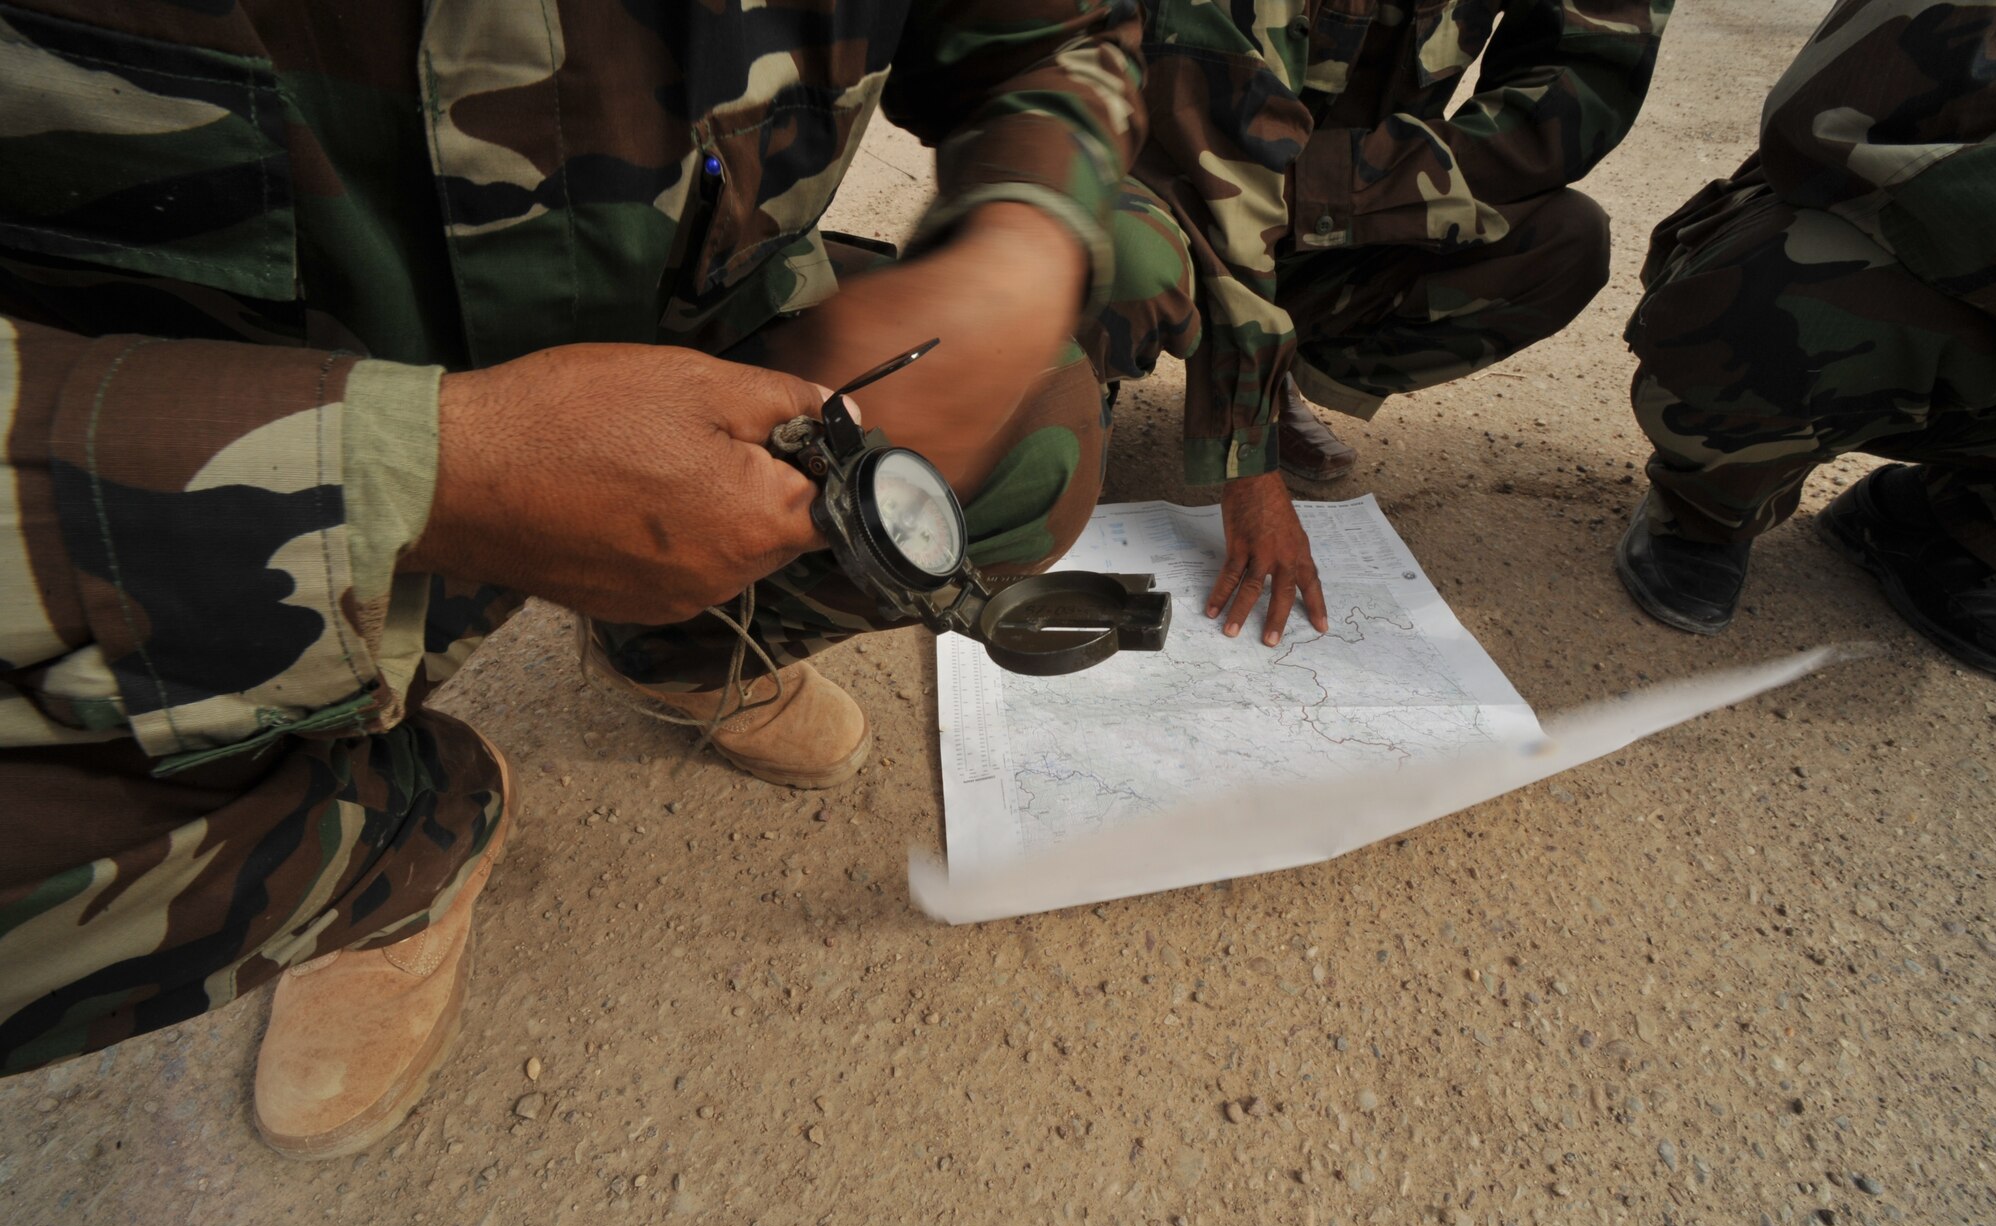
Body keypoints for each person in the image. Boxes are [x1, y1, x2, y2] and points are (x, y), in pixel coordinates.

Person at [0, 1, 1161, 1157]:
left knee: (1033, 435)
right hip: (214, 479)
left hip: (697, 358)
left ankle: (678, 646)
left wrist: (1024, 240)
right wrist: (423, 470)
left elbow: (1054, 26)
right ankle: (386, 843)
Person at [1095, 0, 1673, 647]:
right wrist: (1249, 467)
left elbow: (1568, 102)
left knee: (1564, 240)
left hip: (1342, 202)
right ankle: (1091, 373)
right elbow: (1208, 147)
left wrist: (1332, 185)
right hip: (1165, 174)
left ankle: (1281, 363)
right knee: (1125, 253)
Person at [1615, 0, 1996, 680]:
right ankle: (1709, 508)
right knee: (1783, 292)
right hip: (1902, 251)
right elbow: (1820, 129)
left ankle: (1961, 529)